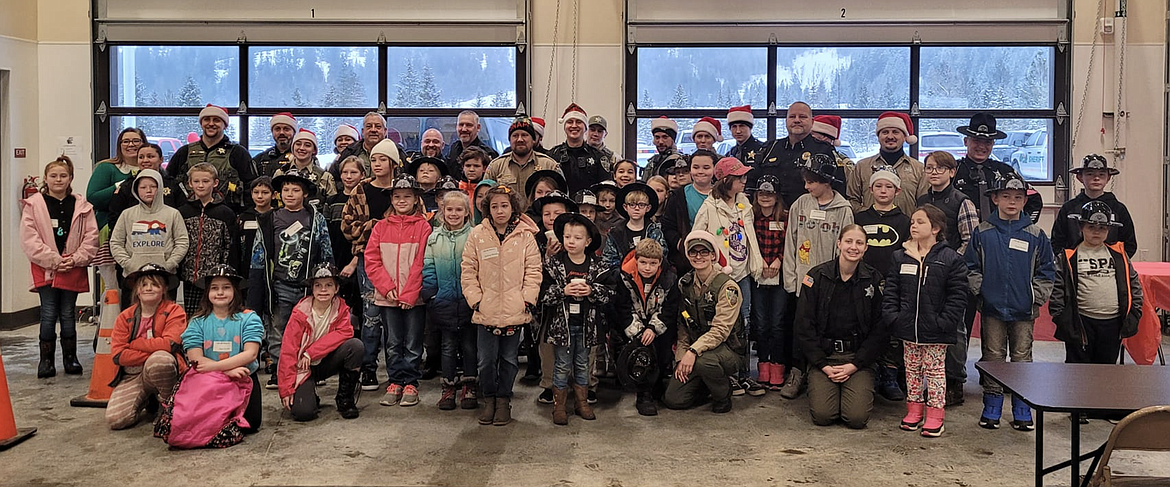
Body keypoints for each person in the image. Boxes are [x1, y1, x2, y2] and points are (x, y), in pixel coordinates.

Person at [966, 172, 1054, 431]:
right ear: (995, 199)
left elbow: (1047, 270)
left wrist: (1035, 297)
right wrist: (981, 292)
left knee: (1022, 357)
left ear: (1025, 202)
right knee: (993, 356)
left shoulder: (1036, 234)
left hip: (1024, 311)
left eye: (1018, 197)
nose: (1012, 202)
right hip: (992, 309)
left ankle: (1021, 404)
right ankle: (992, 404)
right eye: (1006, 197)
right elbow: (971, 267)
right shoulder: (982, 232)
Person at [884, 205, 969, 437]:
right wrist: (894, 317)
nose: (913, 226)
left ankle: (935, 414)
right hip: (907, 328)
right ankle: (913, 410)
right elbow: (892, 289)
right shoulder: (900, 256)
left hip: (935, 330)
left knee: (934, 372)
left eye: (920, 222)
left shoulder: (950, 259)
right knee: (911, 371)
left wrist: (944, 322)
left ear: (936, 228)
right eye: (912, 221)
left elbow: (958, 295)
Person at [461, 184, 543, 426]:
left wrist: (526, 299)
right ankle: (489, 398)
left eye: (504, 205)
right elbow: (468, 270)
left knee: (509, 359)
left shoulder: (525, 236)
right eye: (494, 206)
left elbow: (533, 271)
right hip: (485, 310)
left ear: (513, 208)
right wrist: (476, 300)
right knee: (485, 360)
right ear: (488, 209)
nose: (500, 211)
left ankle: (504, 399)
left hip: (514, 311)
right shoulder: (477, 234)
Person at [795, 225, 888, 429]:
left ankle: (864, 384)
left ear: (865, 248)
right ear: (839, 244)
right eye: (848, 241)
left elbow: (880, 330)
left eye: (859, 243)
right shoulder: (816, 276)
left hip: (857, 359)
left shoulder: (874, 279)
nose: (853, 247)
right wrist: (822, 364)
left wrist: (856, 364)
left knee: (855, 419)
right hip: (824, 358)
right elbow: (804, 326)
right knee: (823, 416)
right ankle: (816, 381)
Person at [250, 166, 335, 390]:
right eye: (286, 189)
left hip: (308, 286)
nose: (290, 194)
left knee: (312, 327)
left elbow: (326, 249)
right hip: (280, 283)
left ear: (305, 193)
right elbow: (259, 254)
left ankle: (313, 369)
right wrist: (257, 287)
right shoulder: (269, 219)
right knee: (279, 328)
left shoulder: (315, 219)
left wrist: (328, 277)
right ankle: (281, 370)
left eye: (295, 190)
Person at [781, 155, 854, 399]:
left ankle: (818, 373)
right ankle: (796, 371)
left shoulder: (843, 210)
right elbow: (790, 242)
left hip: (829, 284)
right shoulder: (801, 204)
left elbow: (843, 250)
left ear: (826, 181)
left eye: (811, 182)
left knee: (822, 329)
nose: (807, 187)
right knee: (799, 327)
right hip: (802, 280)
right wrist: (791, 279)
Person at [21, 156, 98, 378]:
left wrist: (75, 259)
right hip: (45, 267)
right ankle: (45, 361)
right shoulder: (34, 204)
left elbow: (91, 236)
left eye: (63, 176)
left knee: (67, 314)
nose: (58, 179)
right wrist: (54, 260)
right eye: (53, 176)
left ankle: (70, 358)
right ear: (45, 178)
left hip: (73, 266)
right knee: (47, 313)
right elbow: (29, 239)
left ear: (71, 178)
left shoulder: (83, 206)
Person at [693, 157, 764, 396]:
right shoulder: (710, 206)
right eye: (740, 177)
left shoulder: (744, 203)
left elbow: (750, 235)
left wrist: (756, 262)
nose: (745, 181)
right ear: (726, 180)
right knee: (725, 324)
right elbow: (696, 238)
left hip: (743, 272)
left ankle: (745, 374)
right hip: (721, 275)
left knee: (744, 322)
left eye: (745, 176)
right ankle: (728, 375)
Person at [916, 150, 979, 406]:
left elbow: (970, 240)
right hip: (925, 274)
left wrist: (948, 264)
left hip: (952, 276)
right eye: (930, 167)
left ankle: (955, 382)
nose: (934, 172)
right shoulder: (921, 200)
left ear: (952, 172)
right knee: (928, 327)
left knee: (955, 330)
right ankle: (930, 381)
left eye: (940, 168)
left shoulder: (962, 201)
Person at [341, 139, 404, 390]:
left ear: (393, 163)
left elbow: (416, 221)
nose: (377, 164)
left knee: (395, 315)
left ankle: (396, 370)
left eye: (382, 159)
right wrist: (374, 227)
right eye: (374, 159)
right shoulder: (361, 190)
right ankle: (368, 368)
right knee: (371, 315)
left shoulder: (403, 189)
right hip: (369, 258)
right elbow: (347, 225)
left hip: (399, 259)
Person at [365, 174, 433, 407]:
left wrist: (410, 294)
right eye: (397, 197)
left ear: (416, 199)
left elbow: (423, 262)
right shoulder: (380, 228)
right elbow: (372, 261)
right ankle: (395, 381)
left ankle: (411, 382)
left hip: (413, 298)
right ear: (391, 200)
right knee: (393, 341)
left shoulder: (424, 227)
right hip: (388, 297)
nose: (401, 200)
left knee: (413, 341)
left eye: (407, 196)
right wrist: (387, 288)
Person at [1050, 201, 1143, 367]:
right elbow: (1057, 288)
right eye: (1091, 227)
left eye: (1102, 228)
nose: (1096, 232)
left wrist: (1135, 311)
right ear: (1081, 227)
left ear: (1109, 230)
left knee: (1106, 370)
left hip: (1112, 323)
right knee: (1077, 371)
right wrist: (1061, 317)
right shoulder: (1068, 256)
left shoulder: (1119, 255)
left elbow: (1133, 283)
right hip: (1080, 323)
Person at [662, 230, 746, 414]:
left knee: (704, 362)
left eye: (704, 252)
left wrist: (693, 351)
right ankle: (706, 385)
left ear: (713, 256)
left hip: (728, 349)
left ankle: (723, 395)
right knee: (674, 399)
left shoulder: (728, 287)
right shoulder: (685, 284)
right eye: (693, 252)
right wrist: (681, 357)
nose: (698, 256)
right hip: (697, 349)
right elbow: (683, 324)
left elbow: (720, 331)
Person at [542, 213, 614, 425]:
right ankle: (559, 406)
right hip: (561, 326)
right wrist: (562, 290)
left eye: (577, 238)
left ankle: (582, 402)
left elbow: (610, 293)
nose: (571, 242)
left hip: (587, 325)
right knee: (562, 364)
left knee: (583, 364)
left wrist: (591, 290)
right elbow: (543, 295)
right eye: (567, 237)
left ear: (588, 241)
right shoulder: (553, 264)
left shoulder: (599, 266)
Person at [181, 264, 264, 434]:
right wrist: (225, 372)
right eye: (214, 288)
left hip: (243, 376)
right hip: (208, 380)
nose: (220, 292)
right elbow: (195, 359)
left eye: (226, 288)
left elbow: (251, 353)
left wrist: (216, 367)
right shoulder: (196, 322)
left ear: (235, 291)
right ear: (207, 293)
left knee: (251, 423)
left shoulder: (249, 318)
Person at [853, 168, 911, 402]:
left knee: (892, 331)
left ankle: (890, 374)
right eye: (878, 186)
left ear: (897, 191)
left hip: (893, 284)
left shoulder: (905, 221)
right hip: (863, 282)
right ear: (870, 190)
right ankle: (868, 373)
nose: (883, 191)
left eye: (888, 187)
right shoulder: (860, 219)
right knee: (864, 326)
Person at [278, 263, 363, 421]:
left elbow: (346, 332)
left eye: (329, 285)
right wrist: (286, 388)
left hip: (326, 361)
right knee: (303, 413)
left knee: (355, 346)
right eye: (318, 285)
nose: (323, 290)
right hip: (303, 368)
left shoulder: (341, 309)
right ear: (312, 288)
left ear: (336, 289)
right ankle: (309, 394)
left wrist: (311, 352)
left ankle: (345, 399)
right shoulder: (300, 313)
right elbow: (288, 352)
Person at [105, 264, 186, 430]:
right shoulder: (124, 317)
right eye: (144, 285)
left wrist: (134, 345)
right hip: (132, 375)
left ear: (164, 289)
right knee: (116, 420)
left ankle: (167, 405)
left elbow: (170, 344)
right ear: (137, 291)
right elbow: (118, 356)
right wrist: (153, 350)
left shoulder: (174, 311)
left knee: (160, 360)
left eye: (155, 284)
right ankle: (149, 399)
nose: (149, 288)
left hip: (162, 369)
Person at [422, 191, 478, 410]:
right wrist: (431, 295)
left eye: (459, 209)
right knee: (447, 346)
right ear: (442, 211)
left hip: (468, 302)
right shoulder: (434, 237)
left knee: (469, 346)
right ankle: (448, 387)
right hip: (443, 302)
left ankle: (470, 385)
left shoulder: (475, 235)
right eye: (449, 209)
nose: (453, 214)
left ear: (466, 212)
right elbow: (428, 268)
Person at [612, 239, 678, 416]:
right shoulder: (623, 276)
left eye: (653, 263)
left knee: (663, 351)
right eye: (643, 262)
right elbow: (622, 308)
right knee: (642, 352)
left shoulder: (669, 278)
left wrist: (653, 328)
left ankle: (659, 382)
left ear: (660, 262)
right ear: (636, 259)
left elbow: (670, 309)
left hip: (658, 325)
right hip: (633, 326)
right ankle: (644, 393)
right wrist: (640, 331)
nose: (647, 267)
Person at [952, 113, 1043, 224]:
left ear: (993, 144)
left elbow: (1033, 197)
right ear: (966, 141)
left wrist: (1022, 225)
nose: (981, 147)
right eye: (976, 141)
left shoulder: (1005, 171)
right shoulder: (953, 170)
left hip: (999, 236)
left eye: (987, 142)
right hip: (963, 236)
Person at [88, 128, 145, 295]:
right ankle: (111, 319)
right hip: (110, 231)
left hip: (142, 233)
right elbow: (93, 197)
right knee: (114, 288)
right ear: (119, 145)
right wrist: (119, 186)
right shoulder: (107, 168)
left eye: (136, 140)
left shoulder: (150, 170)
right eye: (125, 141)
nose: (131, 145)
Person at [178, 163, 240, 316]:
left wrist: (226, 271)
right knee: (192, 316)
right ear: (190, 183)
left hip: (215, 277)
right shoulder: (182, 212)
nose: (201, 185)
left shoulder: (225, 213)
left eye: (205, 181)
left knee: (216, 314)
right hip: (189, 276)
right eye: (196, 181)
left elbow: (230, 246)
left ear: (215, 183)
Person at [165, 104, 255, 210]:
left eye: (216, 120)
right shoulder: (185, 152)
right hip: (187, 213)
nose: (211, 124)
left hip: (228, 213)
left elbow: (251, 186)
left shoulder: (238, 153)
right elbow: (169, 182)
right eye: (206, 119)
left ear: (225, 125)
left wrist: (247, 213)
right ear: (201, 123)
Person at [747, 102, 836, 208]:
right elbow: (752, 182)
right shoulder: (770, 148)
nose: (797, 120)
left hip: (807, 215)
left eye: (802, 117)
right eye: (792, 116)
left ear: (812, 122)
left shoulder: (824, 150)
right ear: (786, 120)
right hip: (771, 216)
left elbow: (835, 188)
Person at [1051, 154, 1137, 257]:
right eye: (1090, 174)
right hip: (1075, 267)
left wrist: (1117, 262)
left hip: (1110, 268)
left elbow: (1130, 243)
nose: (1096, 178)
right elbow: (1057, 241)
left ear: (1108, 177)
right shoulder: (1069, 209)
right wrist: (1068, 262)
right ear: (1080, 177)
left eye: (1101, 174)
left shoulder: (1118, 209)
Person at [109, 169, 190, 276]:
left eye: (153, 187)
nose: (148, 190)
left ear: (160, 188)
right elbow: (116, 242)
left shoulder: (173, 214)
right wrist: (129, 264)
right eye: (143, 187)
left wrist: (169, 264)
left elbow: (182, 242)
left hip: (165, 274)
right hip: (133, 274)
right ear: (136, 189)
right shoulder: (127, 214)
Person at [846, 112, 929, 213]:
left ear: (904, 137)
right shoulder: (861, 167)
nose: (890, 136)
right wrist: (867, 216)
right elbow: (851, 199)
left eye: (895, 132)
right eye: (885, 132)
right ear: (878, 136)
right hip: (869, 227)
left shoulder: (919, 169)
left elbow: (924, 204)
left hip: (906, 227)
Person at [750, 175, 788, 390]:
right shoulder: (751, 216)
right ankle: (762, 366)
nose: (765, 197)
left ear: (777, 196)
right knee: (761, 323)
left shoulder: (785, 216)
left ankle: (778, 366)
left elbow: (791, 242)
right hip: (758, 274)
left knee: (777, 323)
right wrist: (760, 262)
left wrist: (778, 260)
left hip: (779, 276)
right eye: (762, 193)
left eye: (770, 193)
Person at [660, 150, 718, 275]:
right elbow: (668, 227)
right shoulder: (677, 196)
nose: (700, 171)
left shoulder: (723, 195)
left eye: (706, 167)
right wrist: (681, 244)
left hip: (719, 258)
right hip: (687, 260)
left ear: (714, 169)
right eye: (696, 167)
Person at [483, 115, 560, 202]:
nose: (519, 139)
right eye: (515, 135)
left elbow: (560, 200)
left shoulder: (549, 165)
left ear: (533, 140)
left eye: (524, 135)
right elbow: (485, 199)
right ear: (509, 140)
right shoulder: (496, 166)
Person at [108, 143, 184, 230]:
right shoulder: (127, 186)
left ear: (161, 160)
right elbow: (114, 217)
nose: (145, 160)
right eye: (141, 157)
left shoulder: (173, 184)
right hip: (133, 237)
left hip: (167, 235)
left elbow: (182, 213)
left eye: (150, 156)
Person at [325, 157, 365, 323]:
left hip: (358, 260)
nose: (348, 176)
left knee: (359, 308)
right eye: (345, 172)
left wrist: (355, 262)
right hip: (336, 258)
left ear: (362, 175)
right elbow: (325, 234)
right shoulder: (332, 201)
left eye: (353, 172)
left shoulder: (364, 201)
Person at [548, 104, 611, 194]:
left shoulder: (599, 157)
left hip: (589, 206)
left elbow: (605, 190)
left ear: (586, 128)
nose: (574, 126)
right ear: (565, 127)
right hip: (561, 206)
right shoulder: (553, 155)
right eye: (570, 122)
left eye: (578, 122)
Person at [332, 112, 408, 184]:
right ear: (363, 131)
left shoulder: (398, 152)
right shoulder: (349, 152)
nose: (373, 130)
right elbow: (334, 178)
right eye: (369, 126)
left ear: (385, 131)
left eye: (378, 126)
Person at [602, 182, 665, 268]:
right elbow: (608, 260)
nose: (636, 208)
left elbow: (662, 255)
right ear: (625, 207)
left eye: (641, 205)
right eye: (632, 204)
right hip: (621, 277)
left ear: (648, 208)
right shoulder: (615, 232)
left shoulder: (654, 231)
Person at [273, 129, 337, 202]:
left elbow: (332, 205)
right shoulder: (280, 173)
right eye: (298, 144)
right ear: (293, 148)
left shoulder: (325, 177)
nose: (302, 148)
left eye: (307, 145)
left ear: (314, 150)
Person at [238, 177, 274, 280]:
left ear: (274, 195)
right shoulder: (244, 217)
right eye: (256, 192)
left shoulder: (277, 216)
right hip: (247, 269)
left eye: (265, 193)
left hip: (271, 270)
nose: (259, 196)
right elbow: (236, 246)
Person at [446, 110, 500, 179]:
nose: (464, 129)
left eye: (469, 125)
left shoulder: (488, 153)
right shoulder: (453, 150)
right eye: (461, 125)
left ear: (478, 127)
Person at [253, 112, 298, 178]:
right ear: (272, 132)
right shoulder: (260, 159)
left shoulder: (303, 158)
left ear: (294, 132)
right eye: (277, 129)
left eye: (286, 129)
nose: (281, 132)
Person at [642, 116, 682, 181]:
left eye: (665, 137)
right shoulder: (653, 161)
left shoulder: (678, 161)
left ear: (673, 139)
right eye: (657, 137)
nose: (660, 142)